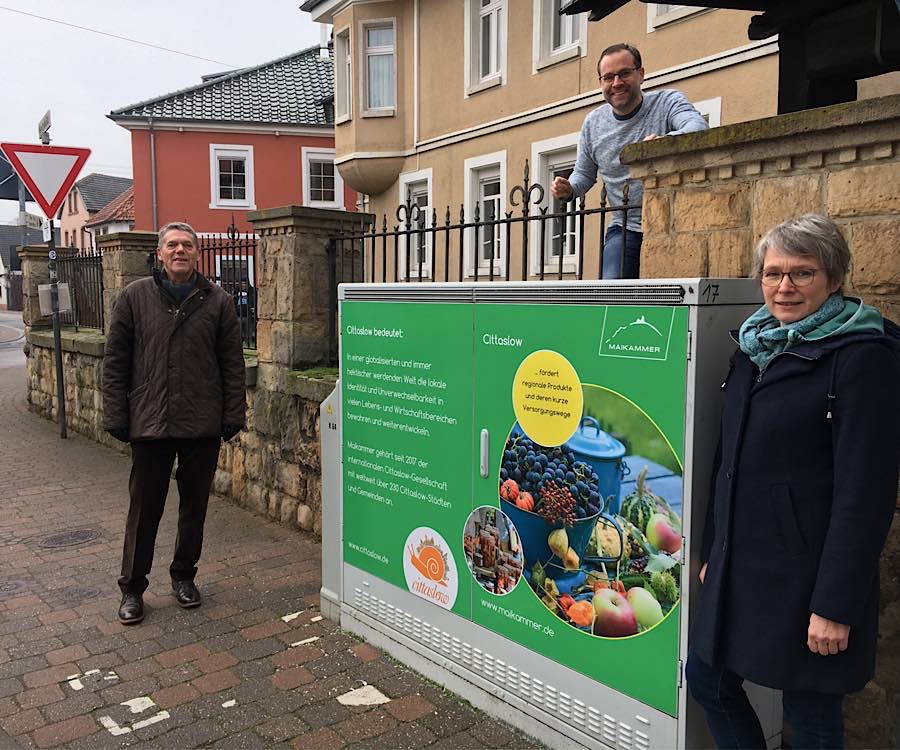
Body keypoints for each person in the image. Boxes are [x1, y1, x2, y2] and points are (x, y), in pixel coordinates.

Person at [686, 214, 900, 748]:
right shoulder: (755, 346)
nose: (784, 286)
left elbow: (866, 494)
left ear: (834, 279)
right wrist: (714, 547)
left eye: (802, 273)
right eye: (773, 272)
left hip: (809, 575)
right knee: (708, 679)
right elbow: (725, 458)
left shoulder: (860, 358)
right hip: (742, 563)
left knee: (810, 716)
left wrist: (835, 604)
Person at [103, 221, 246, 625]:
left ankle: (184, 576)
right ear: (160, 254)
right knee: (144, 510)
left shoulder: (216, 301)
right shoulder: (134, 297)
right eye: (172, 245)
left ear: (197, 253)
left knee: (193, 508)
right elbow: (116, 361)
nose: (179, 250)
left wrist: (233, 413)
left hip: (201, 420)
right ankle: (132, 588)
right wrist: (116, 414)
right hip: (150, 420)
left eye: (186, 244)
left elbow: (232, 363)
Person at [550, 43, 708, 279]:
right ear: (601, 82)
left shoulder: (667, 102)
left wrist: (663, 144)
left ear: (640, 74)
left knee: (677, 297)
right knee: (613, 294)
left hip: (680, 221)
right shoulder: (593, 123)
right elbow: (584, 174)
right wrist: (569, 189)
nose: (617, 83)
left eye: (624, 73)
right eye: (608, 77)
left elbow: (698, 128)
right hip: (626, 226)